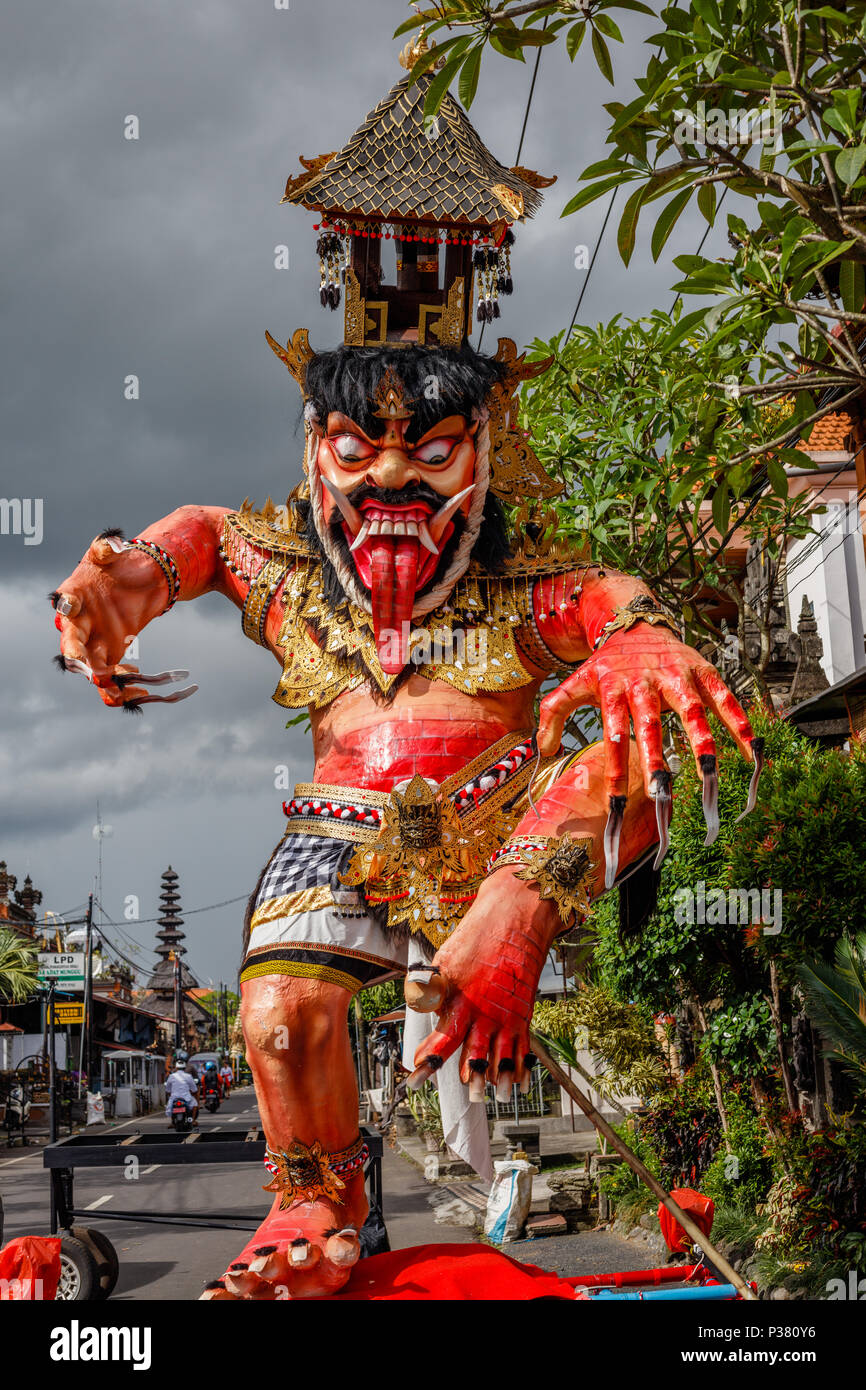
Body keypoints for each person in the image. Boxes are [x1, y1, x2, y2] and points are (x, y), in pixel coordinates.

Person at [51, 48, 760, 1300]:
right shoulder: (291, 581)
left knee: (619, 738)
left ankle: (510, 932)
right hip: (339, 829)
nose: (387, 481)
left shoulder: (522, 584)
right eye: (350, 447)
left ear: (486, 451)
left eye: (429, 451)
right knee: (277, 1020)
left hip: (499, 818)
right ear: (314, 454)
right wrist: (125, 573)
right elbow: (204, 536)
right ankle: (312, 1202)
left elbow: (616, 608)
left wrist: (642, 635)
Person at [164, 1060, 199, 1125]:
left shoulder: (171, 1076)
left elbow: (167, 1090)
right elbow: (194, 1089)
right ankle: (193, 1120)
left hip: (174, 1097)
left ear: (176, 1068)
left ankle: (172, 1122)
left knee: (171, 1106)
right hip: (186, 1097)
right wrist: (193, 1092)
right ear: (185, 1068)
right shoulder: (188, 1076)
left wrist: (171, 1094)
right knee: (195, 1104)